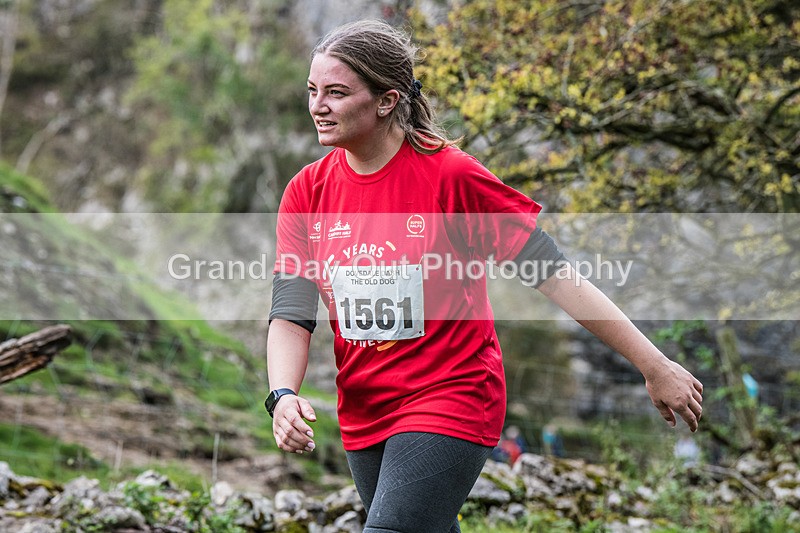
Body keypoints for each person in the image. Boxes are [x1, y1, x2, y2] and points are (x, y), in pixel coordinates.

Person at [266, 19, 703, 533]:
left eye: (337, 93)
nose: (318, 105)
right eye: (314, 91)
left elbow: (554, 274)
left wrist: (653, 364)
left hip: (451, 395)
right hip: (364, 408)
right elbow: (292, 312)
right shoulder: (307, 193)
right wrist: (283, 393)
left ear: (386, 101)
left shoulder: (449, 176)